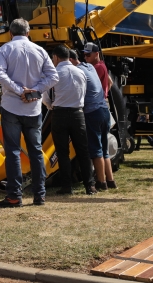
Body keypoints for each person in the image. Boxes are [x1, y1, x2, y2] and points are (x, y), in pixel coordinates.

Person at [0, 18, 59, 208]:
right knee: (36, 151)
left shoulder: (5, 49)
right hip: (33, 108)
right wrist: (35, 91)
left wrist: (18, 90)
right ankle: (40, 194)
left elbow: (0, 75)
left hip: (11, 106)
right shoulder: (39, 51)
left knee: (13, 152)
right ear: (28, 33)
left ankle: (14, 196)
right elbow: (53, 76)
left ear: (10, 33)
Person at [42, 46, 95, 195]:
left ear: (56, 57)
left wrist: (51, 106)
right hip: (78, 114)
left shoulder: (54, 74)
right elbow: (83, 93)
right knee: (83, 151)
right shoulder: (81, 72)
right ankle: (89, 185)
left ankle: (67, 187)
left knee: (62, 152)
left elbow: (46, 98)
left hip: (59, 114)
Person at [71, 49, 116, 191]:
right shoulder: (91, 67)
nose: (86, 57)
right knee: (104, 148)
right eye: (84, 55)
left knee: (95, 149)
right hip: (104, 109)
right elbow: (110, 82)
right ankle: (110, 181)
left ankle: (101, 183)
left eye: (88, 54)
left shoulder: (78, 71)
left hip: (92, 112)